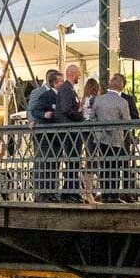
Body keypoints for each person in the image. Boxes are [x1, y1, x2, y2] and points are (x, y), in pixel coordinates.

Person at [91, 73, 134, 202]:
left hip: (100, 138)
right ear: (121, 86)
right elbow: (127, 121)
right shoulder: (122, 102)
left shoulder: (98, 99)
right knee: (115, 167)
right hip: (116, 139)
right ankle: (114, 196)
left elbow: (92, 117)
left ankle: (104, 194)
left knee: (104, 166)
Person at [26, 69, 62, 201]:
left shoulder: (58, 93)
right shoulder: (38, 92)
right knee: (42, 161)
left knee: (53, 162)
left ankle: (52, 190)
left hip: (54, 133)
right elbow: (31, 109)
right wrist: (32, 120)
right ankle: (41, 192)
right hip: (42, 132)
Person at [54, 68, 86, 202]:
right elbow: (67, 109)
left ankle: (72, 189)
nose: (79, 76)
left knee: (74, 160)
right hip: (69, 130)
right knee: (73, 160)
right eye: (78, 74)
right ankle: (70, 191)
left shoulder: (68, 89)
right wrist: (80, 115)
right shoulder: (67, 89)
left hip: (71, 129)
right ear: (73, 74)